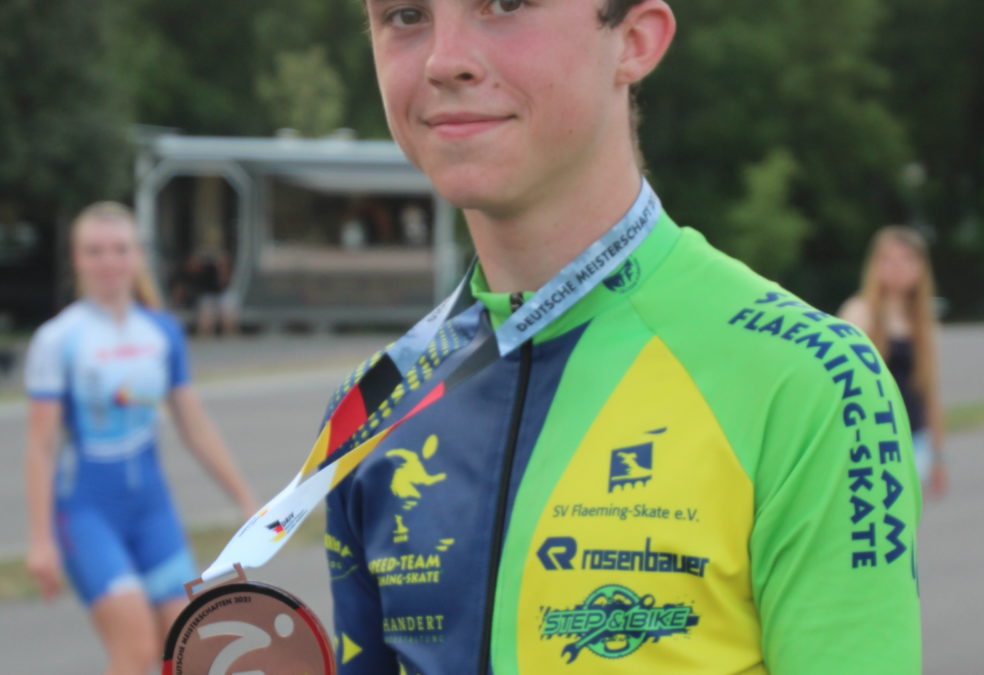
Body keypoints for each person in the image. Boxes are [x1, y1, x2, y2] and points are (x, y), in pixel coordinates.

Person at [321, 1, 921, 673]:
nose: (442, 58)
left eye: (505, 3)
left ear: (635, 40)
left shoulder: (810, 379)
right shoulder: (373, 405)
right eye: (404, 14)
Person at [23, 202, 258, 675]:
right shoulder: (57, 339)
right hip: (88, 514)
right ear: (76, 259)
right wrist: (40, 540)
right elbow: (40, 447)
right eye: (95, 251)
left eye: (119, 250)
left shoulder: (162, 333)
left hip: (154, 512)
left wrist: (245, 501)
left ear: (137, 257)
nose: (108, 262)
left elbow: (193, 424)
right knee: (134, 653)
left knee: (184, 649)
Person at [840, 226, 947, 499]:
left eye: (906, 259)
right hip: (871, 440)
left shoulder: (923, 322)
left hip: (914, 436)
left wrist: (939, 455)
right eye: (887, 259)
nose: (897, 268)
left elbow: (929, 389)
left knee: (905, 527)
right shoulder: (859, 314)